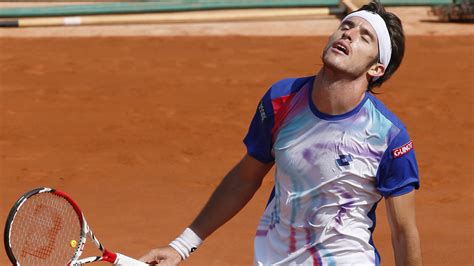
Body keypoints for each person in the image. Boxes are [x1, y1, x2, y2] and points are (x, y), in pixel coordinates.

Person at [139, 1, 422, 265]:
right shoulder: (282, 99)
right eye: (346, 26)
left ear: (377, 68)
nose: (348, 35)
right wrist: (181, 245)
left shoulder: (389, 136)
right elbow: (245, 178)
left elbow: (403, 231)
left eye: (364, 36)